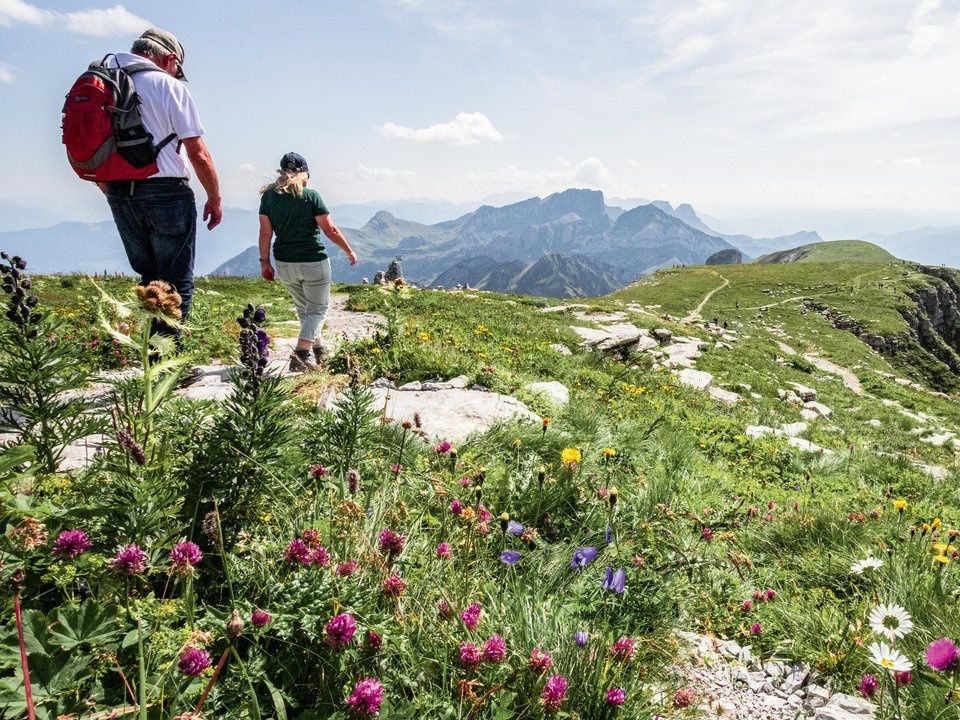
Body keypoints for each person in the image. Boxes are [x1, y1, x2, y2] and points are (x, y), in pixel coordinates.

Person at [100, 28, 221, 382]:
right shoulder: (169, 87)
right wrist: (214, 196)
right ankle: (169, 368)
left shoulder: (104, 83)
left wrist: (112, 191)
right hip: (167, 191)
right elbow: (197, 152)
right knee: (176, 281)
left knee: (149, 279)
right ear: (170, 60)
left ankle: (152, 361)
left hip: (120, 193)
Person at [258, 152, 358, 371]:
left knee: (304, 309)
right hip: (313, 261)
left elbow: (266, 233)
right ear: (304, 174)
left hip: (284, 262)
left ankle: (320, 352)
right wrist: (348, 250)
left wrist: (264, 262)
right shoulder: (311, 196)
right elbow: (329, 230)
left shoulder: (268, 197)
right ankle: (301, 355)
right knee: (317, 310)